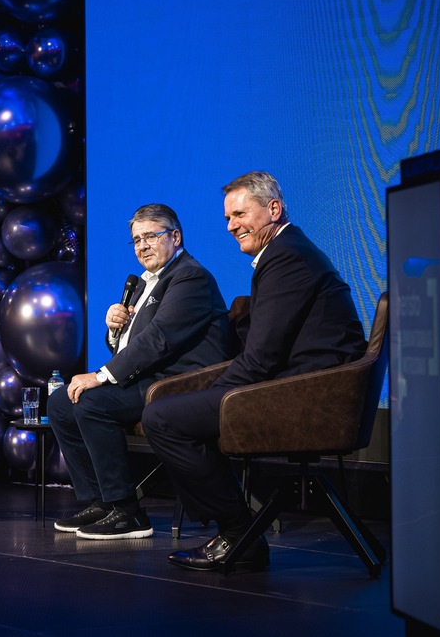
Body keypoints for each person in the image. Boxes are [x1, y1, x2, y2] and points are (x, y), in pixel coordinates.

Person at [140, 172, 368, 572]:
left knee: (162, 417)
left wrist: (222, 397)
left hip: (312, 395)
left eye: (240, 214)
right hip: (297, 382)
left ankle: (237, 532)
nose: (231, 226)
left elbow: (261, 358)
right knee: (172, 408)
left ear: (274, 209)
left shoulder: (287, 256)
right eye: (227, 218)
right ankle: (236, 530)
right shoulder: (285, 252)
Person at [47, 203, 232, 540]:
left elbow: (159, 341)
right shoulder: (147, 282)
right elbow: (131, 346)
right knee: (60, 403)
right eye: (136, 240)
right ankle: (100, 501)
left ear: (175, 237)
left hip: (180, 383)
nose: (142, 246)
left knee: (92, 402)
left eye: (151, 236)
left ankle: (127, 510)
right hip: (149, 377)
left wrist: (101, 375)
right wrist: (115, 329)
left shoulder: (190, 277)